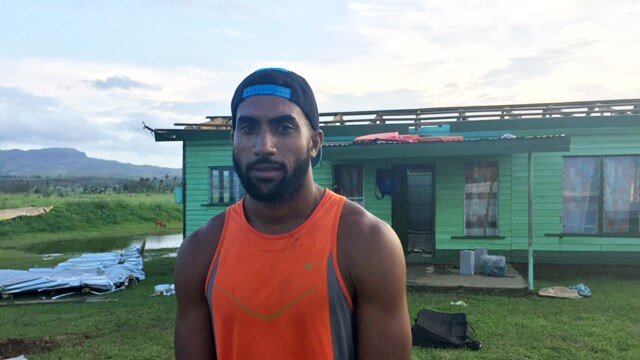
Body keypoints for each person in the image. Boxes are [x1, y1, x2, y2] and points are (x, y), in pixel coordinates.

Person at [174, 68, 411, 360]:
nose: (264, 146)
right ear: (232, 139)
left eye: (284, 128)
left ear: (314, 143)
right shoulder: (201, 250)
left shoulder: (367, 242)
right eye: (248, 128)